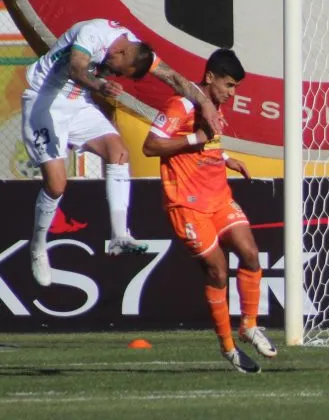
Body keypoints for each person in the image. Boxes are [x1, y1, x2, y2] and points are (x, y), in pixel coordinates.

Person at [22, 18, 222, 287]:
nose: (115, 75)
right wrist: (101, 86)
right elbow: (76, 67)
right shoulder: (92, 34)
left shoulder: (132, 46)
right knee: (56, 184)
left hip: (78, 103)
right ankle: (37, 247)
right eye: (119, 70)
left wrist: (205, 104)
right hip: (44, 99)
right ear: (119, 53)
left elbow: (173, 78)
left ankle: (119, 235)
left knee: (118, 153)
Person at [143, 49, 275, 374]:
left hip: (218, 196)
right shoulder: (181, 105)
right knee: (217, 270)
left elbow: (208, 143)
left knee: (250, 253)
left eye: (235, 88)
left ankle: (248, 325)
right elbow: (150, 146)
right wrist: (194, 138)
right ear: (210, 77)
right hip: (187, 206)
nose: (232, 94)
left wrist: (225, 157)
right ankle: (228, 347)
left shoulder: (212, 106)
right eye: (229, 85)